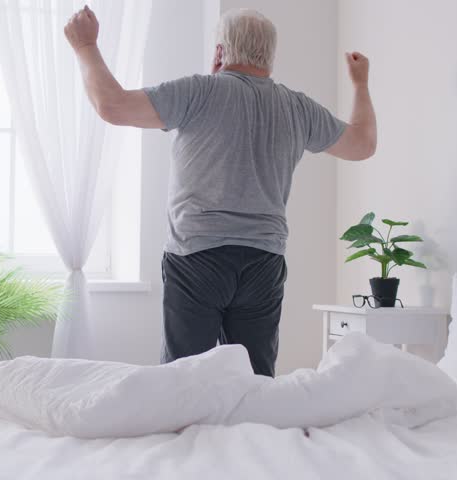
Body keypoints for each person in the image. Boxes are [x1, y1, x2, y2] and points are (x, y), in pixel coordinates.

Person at [65, 6, 376, 376]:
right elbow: (362, 144)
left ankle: (186, 433)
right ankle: (251, 434)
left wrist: (85, 46)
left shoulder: (199, 91)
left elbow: (112, 105)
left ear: (219, 52)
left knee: (182, 381)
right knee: (254, 383)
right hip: (263, 263)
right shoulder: (297, 107)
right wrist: (359, 83)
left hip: (197, 258)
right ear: (270, 57)